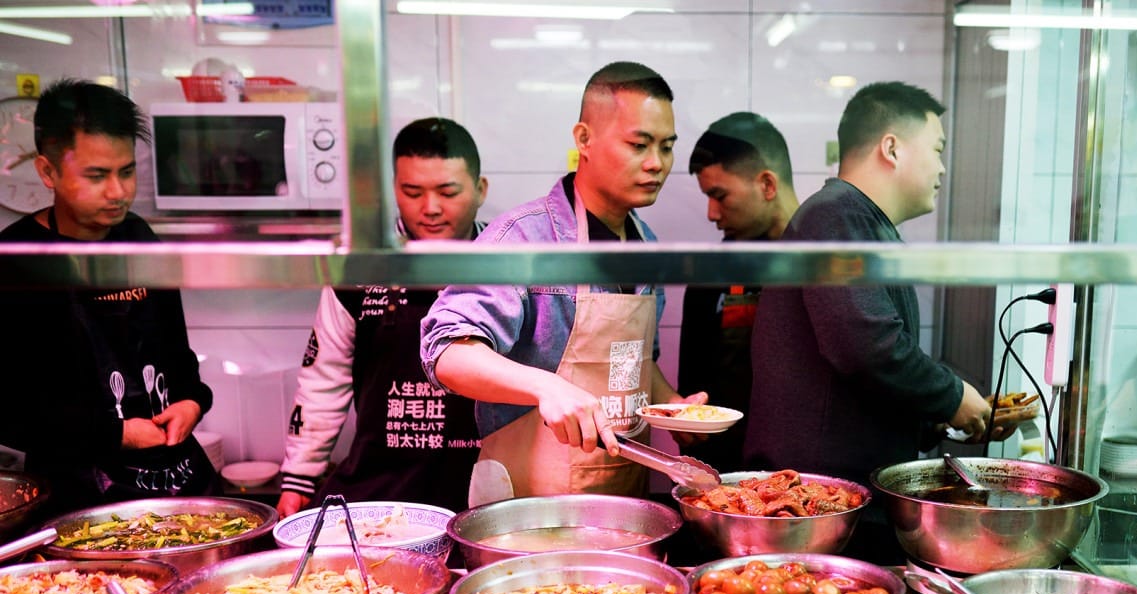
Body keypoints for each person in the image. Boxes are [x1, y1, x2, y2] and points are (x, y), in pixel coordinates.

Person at [421, 61, 702, 499]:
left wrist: (675, 409)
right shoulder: (524, 239)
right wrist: (545, 386)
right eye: (639, 144)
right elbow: (447, 353)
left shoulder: (646, 246)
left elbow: (635, 363)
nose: (656, 163)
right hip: (528, 506)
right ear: (584, 139)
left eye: (666, 147)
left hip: (623, 500)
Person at [744, 82, 994, 489]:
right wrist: (950, 395)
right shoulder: (835, 216)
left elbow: (863, 380)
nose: (942, 168)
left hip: (843, 489)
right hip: (819, 496)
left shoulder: (862, 222)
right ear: (892, 149)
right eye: (937, 150)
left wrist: (942, 417)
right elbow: (867, 347)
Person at [0, 78, 215, 513]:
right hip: (78, 497)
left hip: (179, 481)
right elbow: (10, 411)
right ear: (48, 171)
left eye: (127, 171)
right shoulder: (17, 261)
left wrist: (193, 401)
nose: (118, 192)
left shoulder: (139, 238)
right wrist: (114, 434)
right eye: (97, 176)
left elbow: (176, 355)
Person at [276, 118, 489, 518]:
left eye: (448, 192)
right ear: (395, 190)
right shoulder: (359, 271)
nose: (430, 208)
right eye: (413, 192)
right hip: (381, 492)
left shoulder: (507, 267)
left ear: (480, 191)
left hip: (482, 491)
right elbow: (324, 378)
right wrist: (299, 476)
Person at [677, 111, 799, 472]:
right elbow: (694, 388)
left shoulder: (824, 263)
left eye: (719, 195)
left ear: (767, 185)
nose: (711, 213)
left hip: (808, 475)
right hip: (726, 477)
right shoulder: (712, 273)